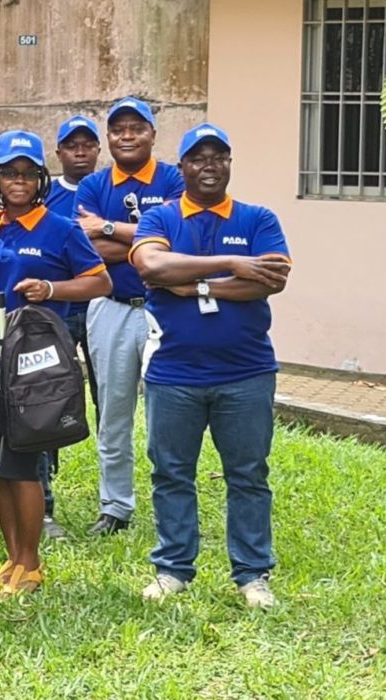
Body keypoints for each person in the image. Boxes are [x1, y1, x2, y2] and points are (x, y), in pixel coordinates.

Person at [130, 123, 290, 609]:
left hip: (246, 372)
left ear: (228, 164)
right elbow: (153, 269)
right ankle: (173, 568)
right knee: (171, 472)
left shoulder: (258, 218)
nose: (209, 166)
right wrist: (234, 265)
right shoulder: (159, 220)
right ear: (182, 169)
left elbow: (272, 279)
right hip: (173, 373)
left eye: (218, 157)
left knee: (248, 474)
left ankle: (252, 575)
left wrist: (198, 284)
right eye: (198, 158)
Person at [0, 130, 111, 596]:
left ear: (41, 179)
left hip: (33, 370)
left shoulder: (61, 229)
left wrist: (52, 290)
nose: (19, 182)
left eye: (28, 174)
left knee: (24, 465)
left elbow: (100, 283)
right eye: (10, 173)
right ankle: (10, 561)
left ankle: (31, 563)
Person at [76, 97, 185, 537]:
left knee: (169, 413)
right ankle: (115, 506)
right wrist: (150, 244)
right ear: (109, 138)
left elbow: (178, 242)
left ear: (152, 134)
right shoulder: (93, 185)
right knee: (113, 413)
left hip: (165, 309)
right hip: (111, 310)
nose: (126, 136)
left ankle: (170, 503)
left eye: (135, 128)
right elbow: (87, 250)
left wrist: (106, 227)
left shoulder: (174, 178)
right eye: (117, 129)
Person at [38, 113, 104, 540]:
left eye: (87, 144)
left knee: (106, 402)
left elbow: (118, 250)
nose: (80, 151)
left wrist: (107, 236)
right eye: (71, 145)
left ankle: (111, 497)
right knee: (43, 398)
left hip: (98, 307)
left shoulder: (106, 192)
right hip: (52, 313)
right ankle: (43, 497)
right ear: (59, 152)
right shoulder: (47, 199)